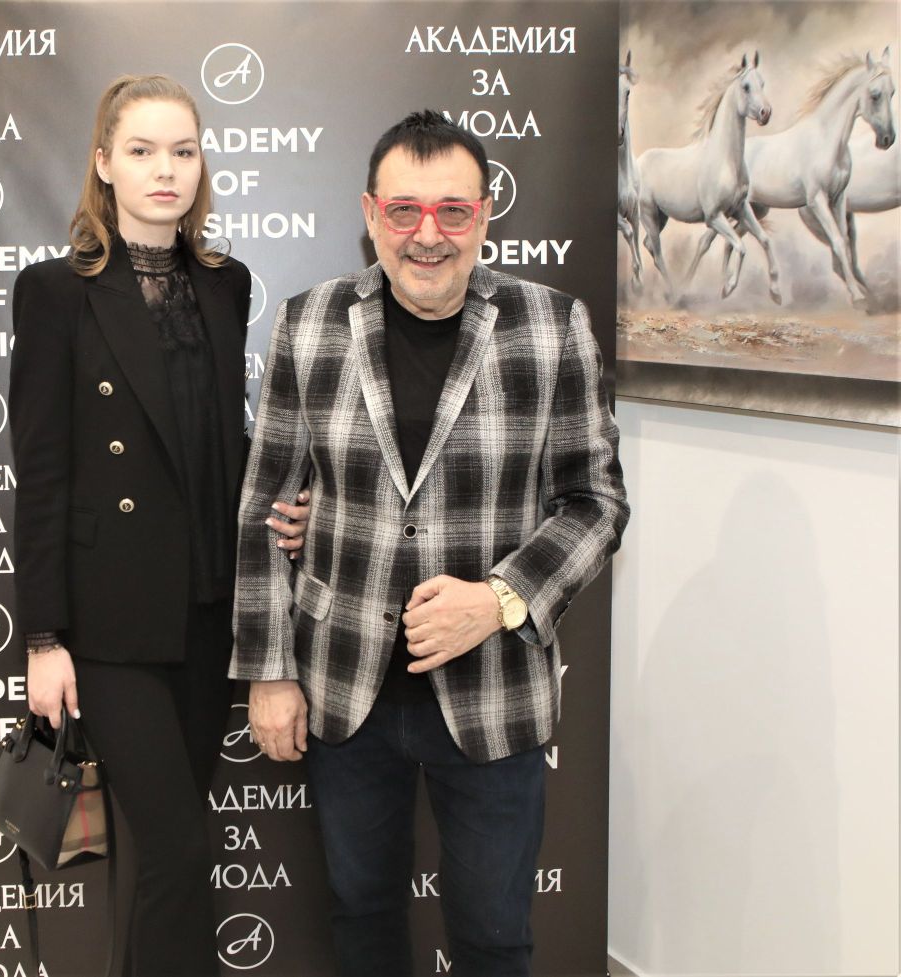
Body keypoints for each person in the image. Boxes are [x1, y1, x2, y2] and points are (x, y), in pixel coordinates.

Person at [231, 110, 629, 977]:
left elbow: (595, 502)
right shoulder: (308, 323)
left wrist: (499, 599)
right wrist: (269, 669)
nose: (427, 234)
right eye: (404, 210)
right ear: (370, 214)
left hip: (494, 689)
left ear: (484, 215)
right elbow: (266, 504)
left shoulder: (552, 325)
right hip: (345, 691)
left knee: (493, 934)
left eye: (452, 210)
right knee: (361, 916)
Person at [8, 74, 309, 977]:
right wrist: (43, 637)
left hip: (207, 608)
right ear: (104, 163)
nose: (165, 169)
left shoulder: (224, 284)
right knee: (179, 851)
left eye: (183, 150)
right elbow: (43, 472)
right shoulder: (56, 291)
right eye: (141, 150)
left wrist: (279, 504)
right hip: (109, 626)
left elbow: (218, 440)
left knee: (166, 863)